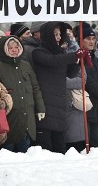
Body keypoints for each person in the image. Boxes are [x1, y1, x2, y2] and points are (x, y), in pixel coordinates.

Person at [0, 36, 45, 152]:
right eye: (10, 48)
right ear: (4, 49)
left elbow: (35, 88)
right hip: (9, 119)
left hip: (27, 118)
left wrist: (40, 108)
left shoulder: (26, 65)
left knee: (26, 151)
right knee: (8, 151)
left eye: (16, 47)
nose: (14, 50)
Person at [32, 22, 79, 153]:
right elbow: (52, 61)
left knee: (60, 148)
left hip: (59, 104)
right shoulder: (39, 52)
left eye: (60, 34)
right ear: (47, 36)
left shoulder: (62, 53)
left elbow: (71, 73)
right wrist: (73, 55)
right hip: (45, 105)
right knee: (46, 148)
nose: (58, 37)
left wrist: (78, 61)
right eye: (55, 34)